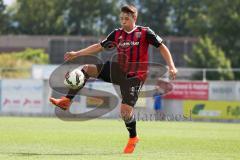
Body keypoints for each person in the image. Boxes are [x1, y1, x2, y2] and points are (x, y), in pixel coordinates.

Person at [50, 4, 177, 154]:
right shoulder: (117, 34)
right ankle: (67, 100)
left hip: (135, 77)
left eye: (126, 18)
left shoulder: (145, 32)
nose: (123, 21)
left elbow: (162, 47)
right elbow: (99, 46)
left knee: (125, 112)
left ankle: (133, 138)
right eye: (121, 18)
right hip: (117, 69)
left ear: (134, 18)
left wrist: (171, 66)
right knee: (87, 68)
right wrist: (77, 53)